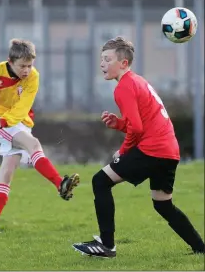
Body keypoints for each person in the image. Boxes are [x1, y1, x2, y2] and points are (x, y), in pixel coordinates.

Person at [72, 36, 204, 258]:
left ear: (123, 63)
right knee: (163, 205)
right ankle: (200, 248)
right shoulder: (137, 81)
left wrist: (122, 152)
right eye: (101, 59)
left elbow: (138, 129)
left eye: (107, 59)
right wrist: (119, 124)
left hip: (153, 150)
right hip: (169, 151)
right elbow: (140, 123)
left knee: (100, 181)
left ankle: (107, 245)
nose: (102, 64)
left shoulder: (124, 87)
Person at [0, 38, 80, 232]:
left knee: (7, 173)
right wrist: (1, 120)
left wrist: (9, 120)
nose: (26, 70)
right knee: (33, 144)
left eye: (29, 65)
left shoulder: (33, 76)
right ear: (10, 62)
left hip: (17, 121)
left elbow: (24, 104)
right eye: (22, 66)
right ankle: (60, 184)